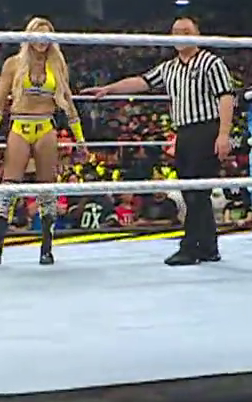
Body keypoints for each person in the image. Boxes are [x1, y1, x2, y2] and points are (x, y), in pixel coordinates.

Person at [81, 15, 236, 266]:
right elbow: (141, 81)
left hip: (206, 129)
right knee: (193, 190)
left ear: (197, 34)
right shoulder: (169, 68)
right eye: (176, 31)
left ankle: (190, 248)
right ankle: (208, 247)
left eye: (186, 31)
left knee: (197, 191)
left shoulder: (211, 63)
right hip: (183, 133)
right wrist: (109, 89)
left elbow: (226, 97)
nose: (180, 35)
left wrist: (223, 134)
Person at [0, 16, 89, 268]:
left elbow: (68, 104)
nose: (42, 42)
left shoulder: (57, 64)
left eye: (46, 36)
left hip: (46, 126)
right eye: (37, 35)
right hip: (20, 125)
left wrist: (80, 138)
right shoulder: (13, 64)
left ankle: (46, 249)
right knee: (9, 186)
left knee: (46, 188)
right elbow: (0, 102)